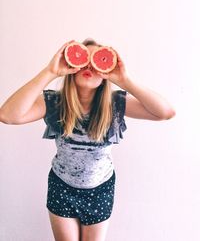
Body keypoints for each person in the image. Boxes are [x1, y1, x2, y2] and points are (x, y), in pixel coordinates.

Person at [0, 38, 176, 241]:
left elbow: (166, 113)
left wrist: (125, 80)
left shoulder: (115, 104)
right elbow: (7, 115)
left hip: (100, 189)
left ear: (105, 75)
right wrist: (49, 72)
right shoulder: (55, 102)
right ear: (72, 67)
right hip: (62, 186)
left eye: (97, 61)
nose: (89, 67)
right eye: (83, 60)